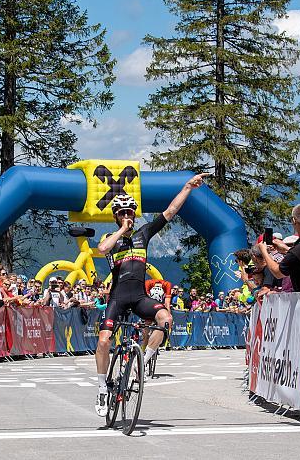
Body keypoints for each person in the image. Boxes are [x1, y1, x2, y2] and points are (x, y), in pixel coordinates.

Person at [93, 172, 209, 416]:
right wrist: (121, 231)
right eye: (122, 213)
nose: (128, 217)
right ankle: (102, 387)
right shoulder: (110, 239)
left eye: (130, 213)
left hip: (138, 297)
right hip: (117, 298)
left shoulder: (143, 234)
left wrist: (188, 187)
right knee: (104, 341)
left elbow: (170, 211)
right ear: (116, 216)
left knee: (165, 319)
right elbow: (102, 248)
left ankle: (142, 364)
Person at [258, 204, 300, 292]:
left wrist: (264, 251)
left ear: (294, 220)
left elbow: (278, 272)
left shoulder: (298, 249)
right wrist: (286, 249)